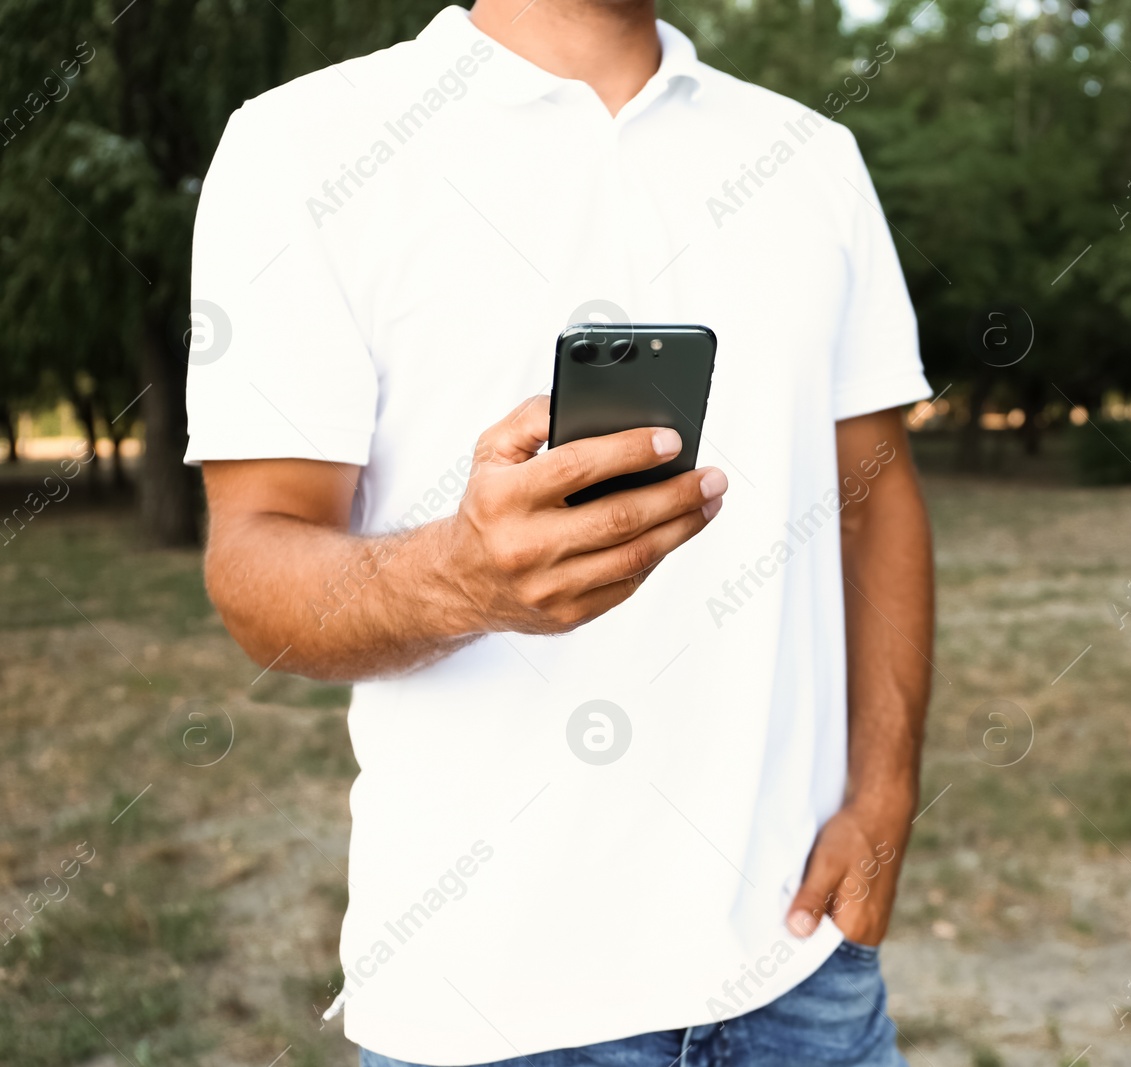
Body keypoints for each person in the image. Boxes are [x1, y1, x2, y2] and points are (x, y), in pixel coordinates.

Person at [187, 0, 934, 1063]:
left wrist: (886, 787)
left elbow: (876, 489)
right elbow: (253, 563)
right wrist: (457, 578)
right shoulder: (303, 143)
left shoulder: (811, 155)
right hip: (488, 1014)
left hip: (803, 975)